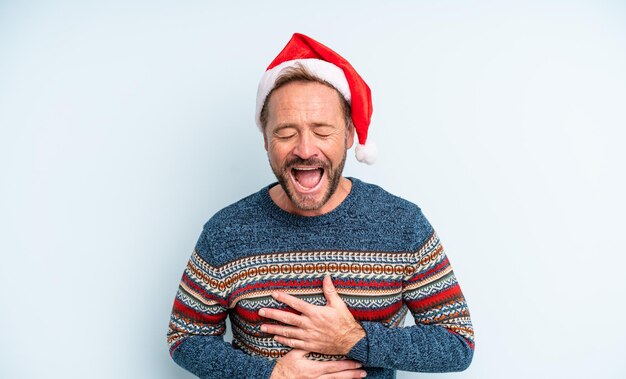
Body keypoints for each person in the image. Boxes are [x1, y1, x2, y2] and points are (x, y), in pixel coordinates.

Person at [167, 33, 474, 379]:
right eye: (285, 133)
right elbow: (185, 338)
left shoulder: (403, 225)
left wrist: (352, 338)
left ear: (348, 135)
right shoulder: (226, 232)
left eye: (322, 131)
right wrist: (272, 375)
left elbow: (456, 343)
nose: (305, 149)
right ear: (266, 140)